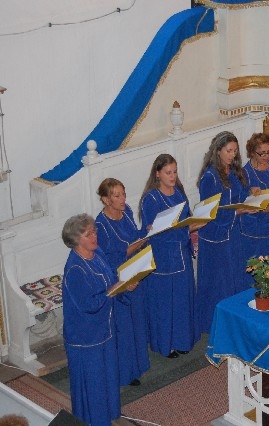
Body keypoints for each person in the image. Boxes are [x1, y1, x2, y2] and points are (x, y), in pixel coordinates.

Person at [62, 213, 136, 426]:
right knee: (93, 382)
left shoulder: (97, 253)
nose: (95, 236)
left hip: (104, 329)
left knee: (107, 376)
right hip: (86, 337)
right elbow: (88, 304)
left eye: (94, 231)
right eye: (88, 234)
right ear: (76, 240)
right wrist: (114, 290)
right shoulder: (75, 269)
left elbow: (111, 278)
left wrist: (125, 285)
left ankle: (109, 414)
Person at [139, 154, 197, 358]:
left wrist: (197, 222)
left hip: (181, 254)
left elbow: (187, 219)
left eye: (175, 172)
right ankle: (166, 344)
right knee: (164, 304)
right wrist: (184, 230)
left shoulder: (179, 193)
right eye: (168, 173)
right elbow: (153, 232)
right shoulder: (151, 199)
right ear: (158, 174)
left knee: (181, 300)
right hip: (163, 258)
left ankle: (182, 340)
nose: (172, 176)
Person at [95, 178, 149, 387]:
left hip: (135, 272)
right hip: (118, 279)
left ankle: (139, 365)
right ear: (105, 199)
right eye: (117, 196)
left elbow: (135, 237)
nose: (122, 199)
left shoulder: (126, 212)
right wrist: (122, 281)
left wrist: (147, 232)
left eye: (123, 194)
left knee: (137, 322)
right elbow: (106, 258)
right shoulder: (101, 225)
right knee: (123, 328)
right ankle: (125, 373)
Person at [196, 131, 249, 336]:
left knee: (235, 277)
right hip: (216, 237)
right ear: (218, 151)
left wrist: (250, 195)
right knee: (219, 282)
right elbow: (210, 213)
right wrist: (237, 212)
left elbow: (239, 196)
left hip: (233, 233)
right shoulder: (209, 178)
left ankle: (233, 320)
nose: (232, 155)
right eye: (228, 151)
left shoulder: (233, 171)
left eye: (235, 151)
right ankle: (216, 325)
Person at [240, 132, 269, 283]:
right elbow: (241, 206)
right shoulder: (245, 174)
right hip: (259, 230)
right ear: (252, 152)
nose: (266, 156)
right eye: (262, 153)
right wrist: (263, 209)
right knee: (261, 270)